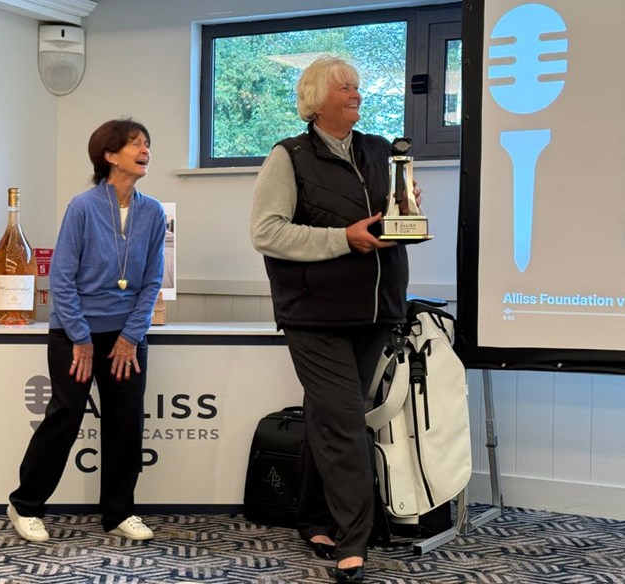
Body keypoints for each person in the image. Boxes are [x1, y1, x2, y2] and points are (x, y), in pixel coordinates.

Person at [250, 55, 420, 583]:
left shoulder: (379, 150)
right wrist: (343, 238)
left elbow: (395, 219)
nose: (356, 93)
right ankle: (356, 540)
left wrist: (407, 212)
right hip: (314, 315)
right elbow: (267, 231)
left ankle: (316, 517)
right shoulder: (290, 156)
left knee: (330, 417)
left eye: (357, 86)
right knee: (344, 419)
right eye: (345, 86)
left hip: (375, 311)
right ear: (317, 98)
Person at [8, 119, 167, 543]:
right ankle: (25, 505)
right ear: (110, 155)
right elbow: (61, 278)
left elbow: (152, 280)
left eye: (147, 143)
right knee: (65, 417)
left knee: (125, 422)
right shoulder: (81, 206)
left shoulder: (152, 212)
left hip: (125, 338)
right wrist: (80, 338)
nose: (145, 149)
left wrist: (131, 336)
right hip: (74, 335)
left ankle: (119, 511)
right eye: (135, 143)